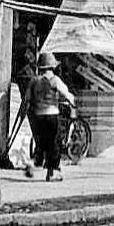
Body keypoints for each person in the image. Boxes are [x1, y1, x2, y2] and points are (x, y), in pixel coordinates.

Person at [24, 52, 77, 182]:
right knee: (53, 144)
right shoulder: (55, 80)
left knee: (41, 144)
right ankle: (52, 172)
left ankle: (33, 163)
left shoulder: (34, 81)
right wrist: (73, 103)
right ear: (52, 66)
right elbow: (67, 94)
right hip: (52, 115)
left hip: (38, 117)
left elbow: (27, 99)